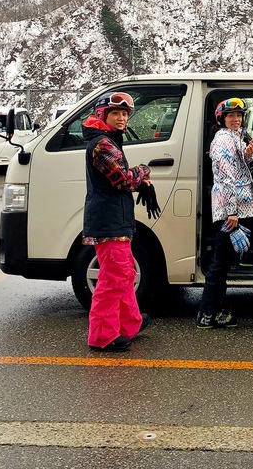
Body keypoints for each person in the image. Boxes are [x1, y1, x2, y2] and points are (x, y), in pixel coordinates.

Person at [81, 91, 153, 352]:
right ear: (103, 115)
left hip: (115, 218)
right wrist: (143, 170)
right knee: (113, 280)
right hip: (108, 222)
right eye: (116, 113)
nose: (122, 118)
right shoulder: (102, 145)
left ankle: (129, 324)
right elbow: (123, 180)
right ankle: (102, 336)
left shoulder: (108, 140)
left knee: (125, 275)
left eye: (125, 114)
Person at [197, 97, 253, 328]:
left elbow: (248, 170)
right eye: (231, 115)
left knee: (222, 264)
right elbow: (226, 179)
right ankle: (206, 314)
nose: (236, 119)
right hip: (229, 211)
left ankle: (218, 311)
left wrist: (250, 155)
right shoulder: (223, 140)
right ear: (222, 119)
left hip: (235, 209)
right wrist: (231, 213)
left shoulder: (238, 137)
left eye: (239, 115)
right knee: (219, 264)